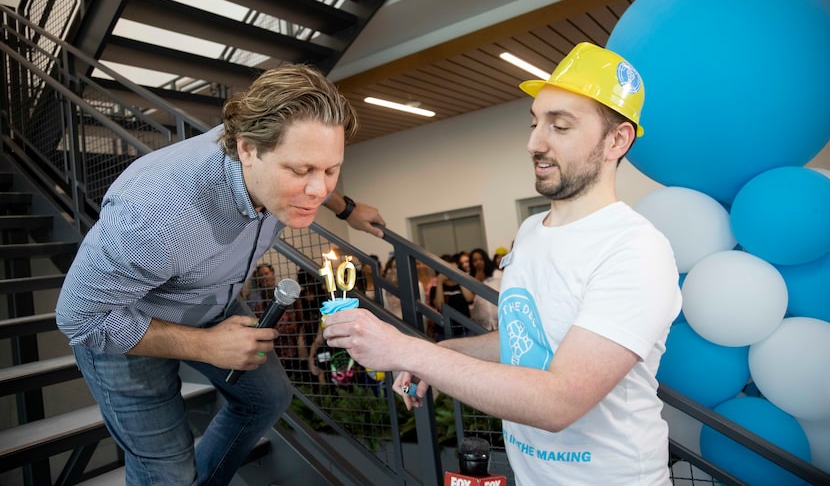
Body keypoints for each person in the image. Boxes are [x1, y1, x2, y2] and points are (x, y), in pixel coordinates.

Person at [322, 43, 681, 485]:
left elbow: (559, 403)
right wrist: (437, 356)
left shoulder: (635, 249)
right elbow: (524, 339)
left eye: (560, 126)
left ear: (617, 140)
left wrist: (405, 350)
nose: (535, 142)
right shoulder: (532, 232)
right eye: (534, 122)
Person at [55, 63, 386, 485]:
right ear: (247, 149)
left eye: (330, 169)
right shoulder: (157, 214)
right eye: (301, 171)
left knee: (269, 398)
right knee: (169, 475)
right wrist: (207, 346)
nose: (318, 189)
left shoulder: (281, 166)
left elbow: (314, 171)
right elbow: (78, 319)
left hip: (208, 294)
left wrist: (348, 208)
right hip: (123, 323)